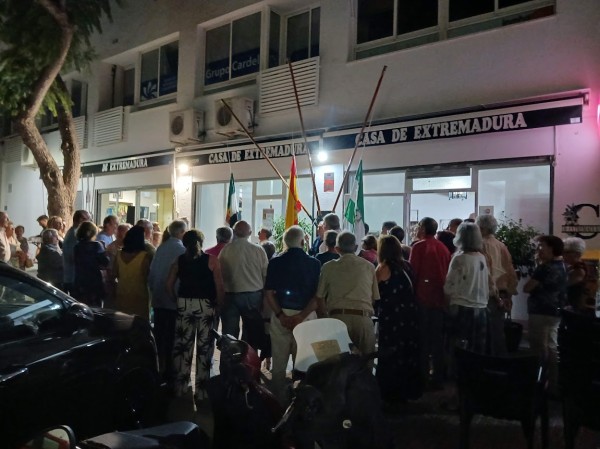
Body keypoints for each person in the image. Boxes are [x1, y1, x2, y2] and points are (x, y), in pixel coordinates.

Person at [263, 225, 321, 404]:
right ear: (303, 242)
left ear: (285, 242)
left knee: (279, 363)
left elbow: (269, 293)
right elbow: (317, 297)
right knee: (303, 363)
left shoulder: (275, 262)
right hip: (306, 316)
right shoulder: (314, 263)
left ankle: (277, 403)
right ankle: (300, 403)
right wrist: (301, 316)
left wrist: (281, 315)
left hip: (282, 313)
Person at [166, 229, 224, 404]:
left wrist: (176, 300)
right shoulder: (212, 260)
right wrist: (219, 305)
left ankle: (181, 386)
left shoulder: (179, 261)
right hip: (206, 305)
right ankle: (202, 390)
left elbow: (168, 285)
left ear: (184, 243)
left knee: (183, 346)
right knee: (204, 347)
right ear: (202, 242)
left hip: (184, 304)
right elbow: (219, 286)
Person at [315, 231, 380, 357]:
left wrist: (325, 319)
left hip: (337, 320)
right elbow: (374, 298)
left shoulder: (328, 267)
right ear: (356, 247)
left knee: (337, 363)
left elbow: (319, 297)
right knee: (366, 362)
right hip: (363, 319)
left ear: (337, 249)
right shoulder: (369, 267)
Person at [375, 235, 422, 404]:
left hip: (391, 316)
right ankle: (407, 390)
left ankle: (390, 392)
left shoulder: (382, 269)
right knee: (407, 351)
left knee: (390, 352)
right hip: (409, 315)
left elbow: (375, 293)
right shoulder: (407, 266)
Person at [409, 217, 451, 389]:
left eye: (419, 226)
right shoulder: (443, 248)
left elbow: (413, 272)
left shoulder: (419, 246)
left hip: (423, 298)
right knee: (437, 341)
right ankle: (438, 377)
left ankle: (423, 377)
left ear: (423, 229)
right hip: (440, 299)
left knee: (423, 341)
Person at [523, 235, 568, 394]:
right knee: (551, 347)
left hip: (540, 311)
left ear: (551, 248)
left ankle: (538, 384)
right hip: (555, 311)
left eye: (542, 246)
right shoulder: (563, 266)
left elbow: (527, 288)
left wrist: (538, 268)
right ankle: (552, 385)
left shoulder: (544, 268)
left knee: (538, 348)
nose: (539, 249)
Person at [218, 221, 268, 351]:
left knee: (229, 333)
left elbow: (220, 274)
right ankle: (248, 360)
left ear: (234, 232)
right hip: (253, 296)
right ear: (250, 233)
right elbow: (265, 275)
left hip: (231, 295)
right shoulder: (258, 250)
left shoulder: (226, 250)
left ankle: (229, 360)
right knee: (251, 332)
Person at [148, 219, 187, 383]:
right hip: (173, 300)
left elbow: (152, 273)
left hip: (158, 299)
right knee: (172, 338)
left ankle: (158, 367)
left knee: (159, 336)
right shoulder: (181, 250)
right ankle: (170, 372)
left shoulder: (161, 248)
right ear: (181, 233)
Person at [444, 222, 491, 354]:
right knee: (477, 348)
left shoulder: (459, 258)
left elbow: (449, 286)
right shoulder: (481, 258)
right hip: (481, 307)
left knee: (458, 348)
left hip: (461, 306)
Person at [476, 214, 518, 355]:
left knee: (485, 334)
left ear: (482, 228)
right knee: (498, 332)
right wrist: (509, 294)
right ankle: (500, 362)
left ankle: (488, 363)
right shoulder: (501, 245)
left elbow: (487, 272)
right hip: (503, 292)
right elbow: (510, 270)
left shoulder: (482, 245)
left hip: (489, 293)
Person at [113, 226, 152, 319]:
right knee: (139, 322)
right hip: (139, 295)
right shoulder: (144, 257)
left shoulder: (118, 254)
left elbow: (114, 274)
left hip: (122, 293)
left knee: (122, 322)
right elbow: (147, 277)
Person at [73, 222, 110, 307]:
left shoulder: (77, 247)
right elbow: (105, 262)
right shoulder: (97, 245)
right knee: (96, 307)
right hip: (94, 280)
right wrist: (104, 250)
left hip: (80, 280)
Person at [63, 210, 92, 296]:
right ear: (81, 220)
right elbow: (73, 256)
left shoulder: (74, 232)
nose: (90, 222)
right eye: (88, 219)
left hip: (73, 276)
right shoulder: (75, 234)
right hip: (73, 277)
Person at [562, 236, 590, 312]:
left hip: (574, 311)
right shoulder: (572, 267)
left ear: (577, 254)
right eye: (563, 252)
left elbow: (562, 286)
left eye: (567, 252)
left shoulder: (579, 270)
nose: (563, 255)